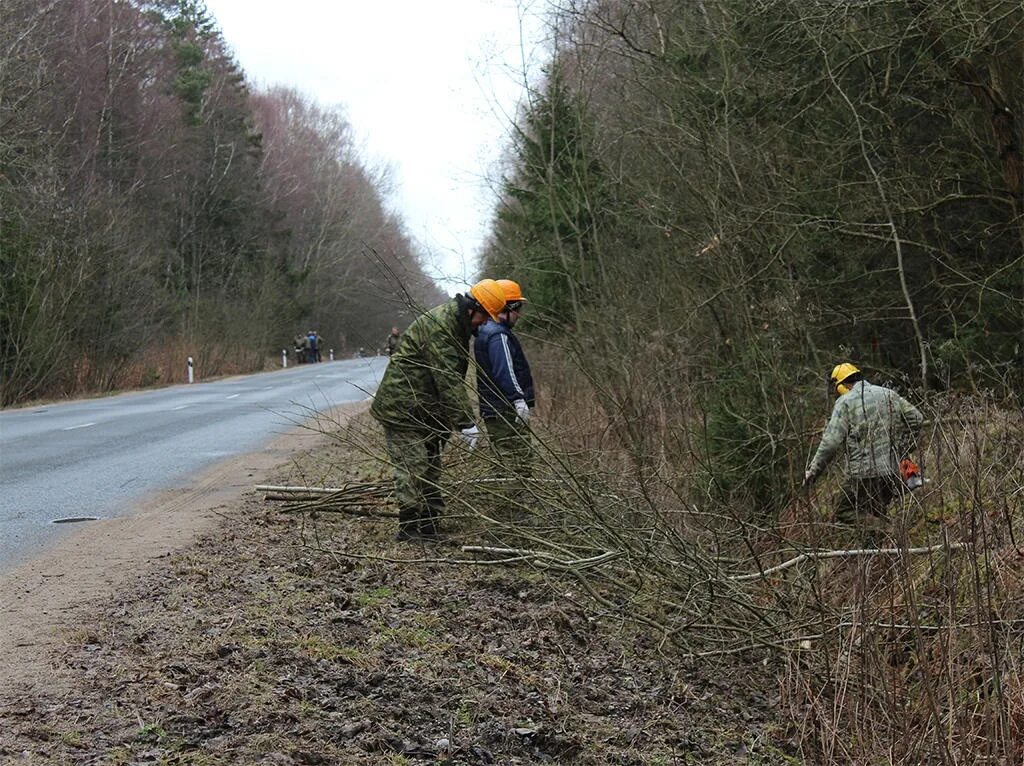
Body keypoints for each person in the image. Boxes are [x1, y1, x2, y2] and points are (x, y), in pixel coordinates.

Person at [370, 279, 507, 541]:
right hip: (403, 406)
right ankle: (409, 529)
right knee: (413, 466)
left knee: (432, 465)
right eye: (483, 318)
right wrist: (465, 422)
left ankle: (430, 524)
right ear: (472, 309)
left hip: (428, 408)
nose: (484, 324)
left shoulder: (458, 325)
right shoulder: (442, 327)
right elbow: (447, 377)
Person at [803, 363, 924, 528]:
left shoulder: (844, 402)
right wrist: (904, 447)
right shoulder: (889, 394)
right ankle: (884, 549)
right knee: (875, 512)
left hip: (863, 474)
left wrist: (813, 472)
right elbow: (917, 418)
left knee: (843, 510)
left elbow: (830, 443)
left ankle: (889, 531)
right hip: (894, 470)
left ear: (842, 385)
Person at [474, 279, 536, 492]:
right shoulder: (498, 335)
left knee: (504, 461)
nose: (520, 315)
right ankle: (513, 515)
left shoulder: (486, 330)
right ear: (509, 308)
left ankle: (507, 509)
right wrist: (518, 399)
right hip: (505, 410)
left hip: (496, 409)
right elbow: (505, 371)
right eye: (518, 309)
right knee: (517, 462)